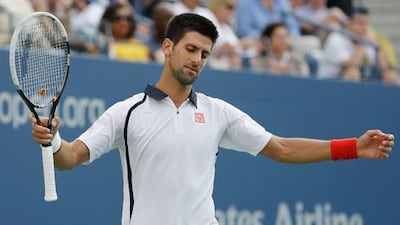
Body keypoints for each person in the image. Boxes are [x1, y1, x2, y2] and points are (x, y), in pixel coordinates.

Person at [30, 13, 395, 225]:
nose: (197, 59)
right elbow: (71, 158)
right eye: (191, 49)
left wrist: (352, 148)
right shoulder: (126, 113)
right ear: (168, 47)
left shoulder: (218, 113)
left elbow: (282, 148)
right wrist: (54, 142)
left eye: (205, 54)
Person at [318, 6, 400, 85]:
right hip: (329, 83)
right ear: (349, 24)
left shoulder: (365, 39)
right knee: (353, 73)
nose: (364, 28)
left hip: (360, 82)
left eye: (366, 23)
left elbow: (384, 69)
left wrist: (375, 44)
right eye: (360, 23)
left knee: (391, 76)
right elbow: (352, 65)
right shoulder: (336, 38)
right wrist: (362, 44)